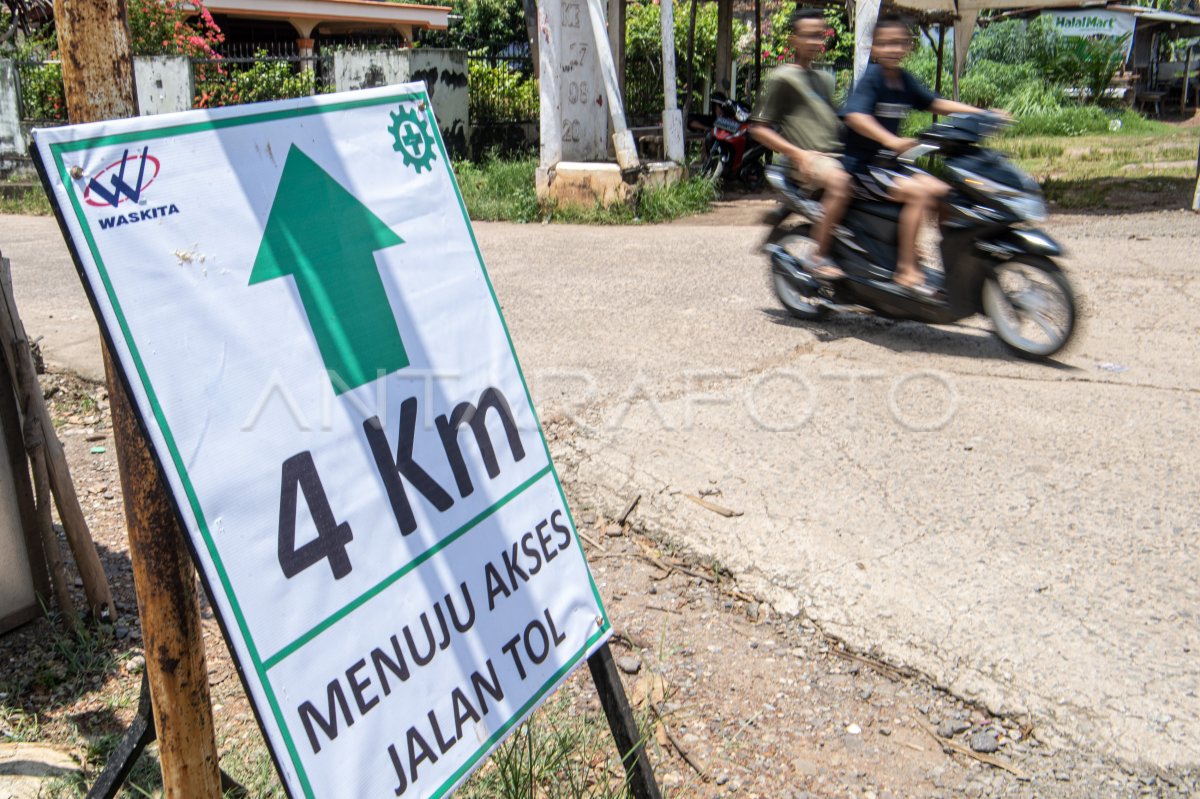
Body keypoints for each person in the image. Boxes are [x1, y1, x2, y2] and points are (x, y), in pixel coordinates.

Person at [843, 14, 998, 299]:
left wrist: (982, 114)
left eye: (899, 43)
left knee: (944, 192)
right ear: (875, 48)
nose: (893, 49)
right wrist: (890, 139)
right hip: (863, 168)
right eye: (886, 44)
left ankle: (949, 265)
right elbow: (855, 116)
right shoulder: (872, 79)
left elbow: (935, 103)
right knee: (918, 194)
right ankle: (906, 269)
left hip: (889, 166)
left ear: (908, 47)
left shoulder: (903, 80)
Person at [751, 8, 851, 280]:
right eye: (807, 36)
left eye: (819, 36)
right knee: (841, 184)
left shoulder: (825, 78)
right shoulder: (782, 77)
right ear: (793, 40)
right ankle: (817, 258)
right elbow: (758, 128)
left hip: (835, 157)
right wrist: (798, 154)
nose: (814, 42)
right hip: (806, 162)